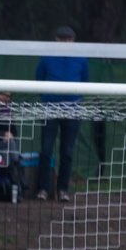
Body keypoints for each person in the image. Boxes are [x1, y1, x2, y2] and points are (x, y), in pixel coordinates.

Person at [33, 25, 90, 202]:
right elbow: (39, 79)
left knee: (67, 151)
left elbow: (85, 82)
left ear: (74, 40)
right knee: (46, 149)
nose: (66, 42)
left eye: (69, 39)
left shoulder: (81, 58)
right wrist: (49, 97)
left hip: (72, 109)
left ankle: (63, 190)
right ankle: (43, 189)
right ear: (55, 40)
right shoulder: (47, 57)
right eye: (62, 39)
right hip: (49, 108)